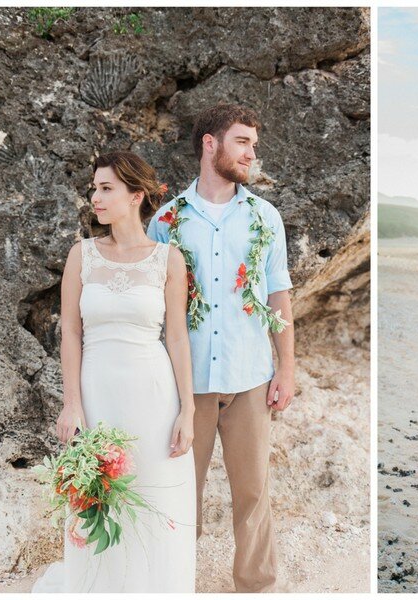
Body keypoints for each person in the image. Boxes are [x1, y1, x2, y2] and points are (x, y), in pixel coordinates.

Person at [147, 104, 295, 593]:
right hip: (186, 387)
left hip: (250, 374)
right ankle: (174, 582)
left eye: (253, 143)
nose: (252, 152)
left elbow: (278, 293)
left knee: (253, 492)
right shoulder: (167, 221)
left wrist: (286, 368)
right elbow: (153, 307)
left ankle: (255, 584)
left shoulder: (264, 216)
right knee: (179, 491)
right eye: (243, 142)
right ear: (210, 144)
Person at [34, 151, 196, 592]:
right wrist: (72, 403)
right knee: (96, 499)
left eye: (106, 188)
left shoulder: (168, 259)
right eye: (94, 188)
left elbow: (177, 338)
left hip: (154, 394)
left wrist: (188, 410)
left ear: (136, 195)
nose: (96, 197)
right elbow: (70, 332)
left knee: (154, 494)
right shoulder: (81, 255)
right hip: (97, 392)